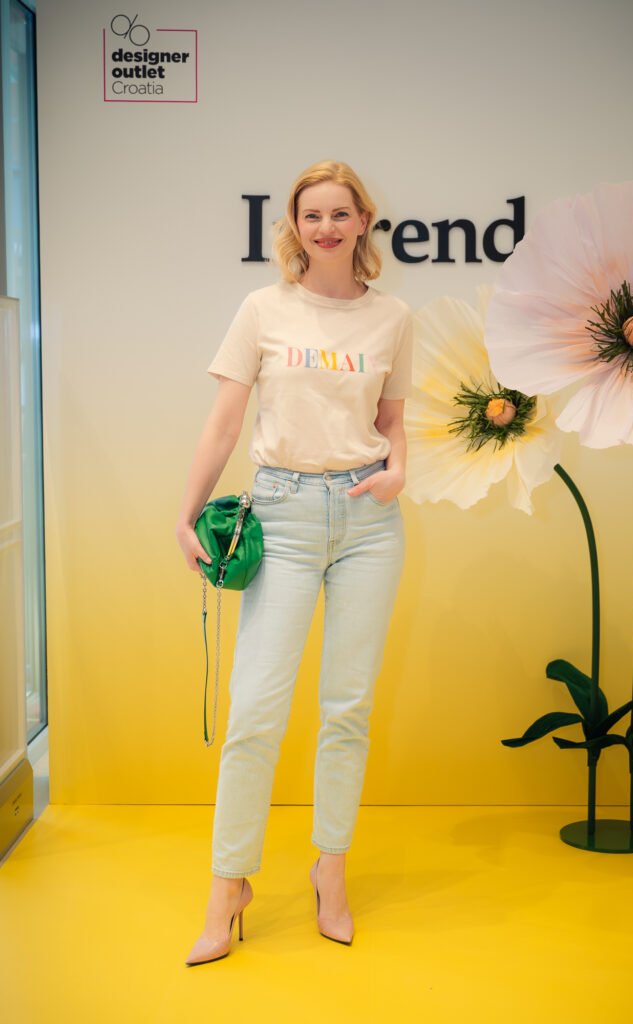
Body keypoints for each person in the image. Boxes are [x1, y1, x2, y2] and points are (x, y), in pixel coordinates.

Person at [176, 160, 412, 965]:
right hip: (280, 513)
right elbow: (223, 425)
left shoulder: (393, 317)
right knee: (255, 711)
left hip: (369, 521)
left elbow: (393, 422)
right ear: (295, 226)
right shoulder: (263, 309)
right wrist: (184, 514)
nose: (326, 228)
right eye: (312, 215)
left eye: (341, 214)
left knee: (348, 707)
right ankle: (227, 887)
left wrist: (399, 469)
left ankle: (329, 871)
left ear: (363, 221)